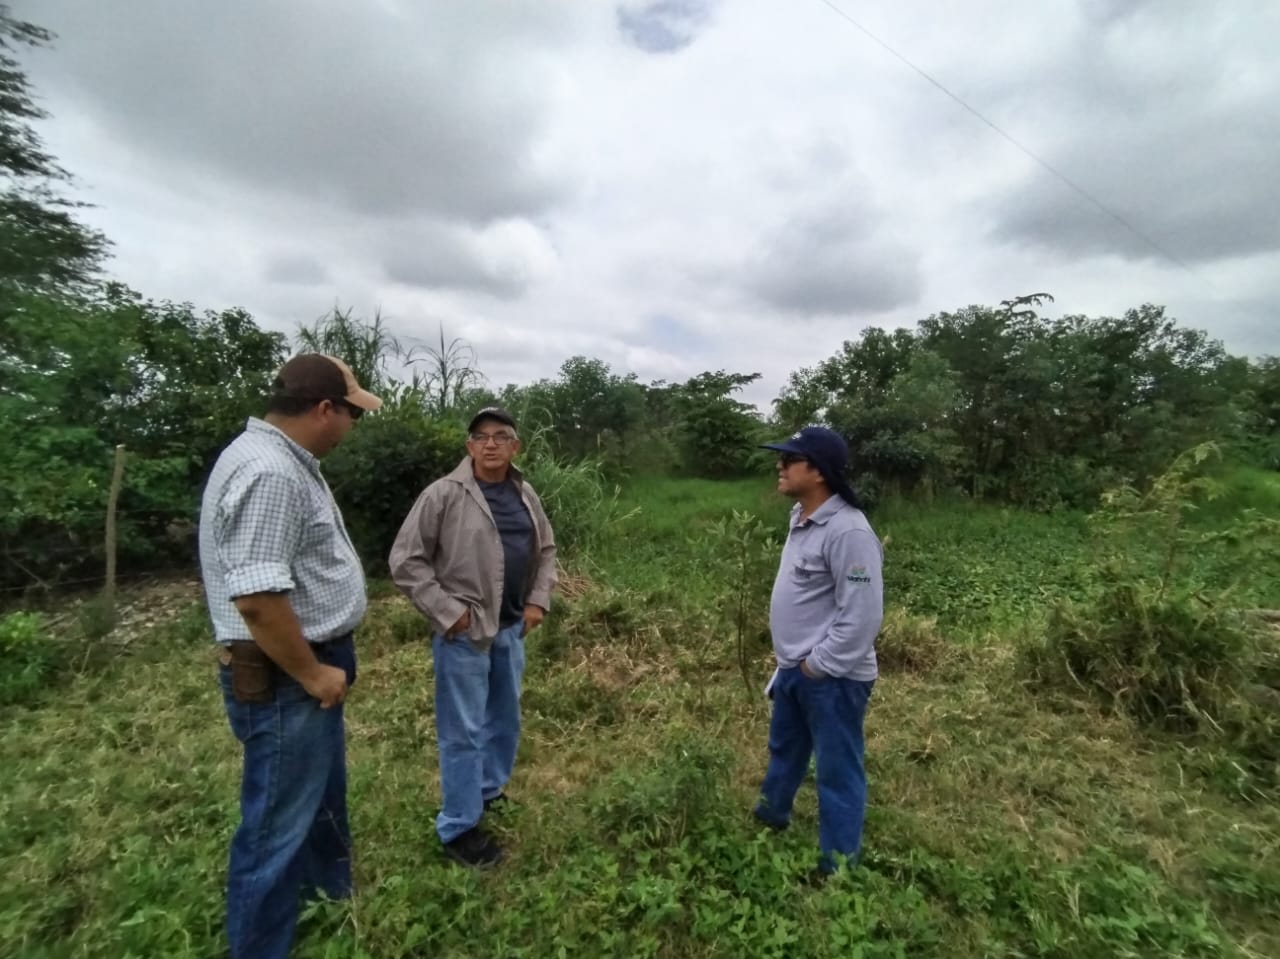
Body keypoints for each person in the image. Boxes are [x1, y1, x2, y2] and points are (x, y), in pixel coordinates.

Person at [198, 353, 381, 959]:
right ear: (326, 409)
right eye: (353, 414)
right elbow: (256, 598)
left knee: (319, 792)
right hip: (286, 676)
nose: (353, 427)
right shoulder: (272, 472)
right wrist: (311, 673)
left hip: (304, 667)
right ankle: (259, 945)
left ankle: (327, 891)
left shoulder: (276, 458)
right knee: (275, 823)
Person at [389, 406, 557, 868]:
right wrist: (449, 613)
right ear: (469, 446)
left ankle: (487, 790)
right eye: (481, 436)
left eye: (501, 436)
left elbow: (545, 549)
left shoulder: (525, 494)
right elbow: (406, 561)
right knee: (462, 731)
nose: (490, 444)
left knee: (504, 719)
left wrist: (538, 601)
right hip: (465, 634)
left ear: (515, 447)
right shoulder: (443, 494)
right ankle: (459, 826)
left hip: (511, 628)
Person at [752, 426, 883, 878]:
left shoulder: (850, 533)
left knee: (837, 769)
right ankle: (771, 816)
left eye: (791, 459)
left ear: (819, 471)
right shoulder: (802, 516)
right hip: (794, 667)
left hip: (832, 676)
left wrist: (817, 665)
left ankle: (837, 864)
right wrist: (797, 664)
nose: (780, 465)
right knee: (785, 749)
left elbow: (862, 615)